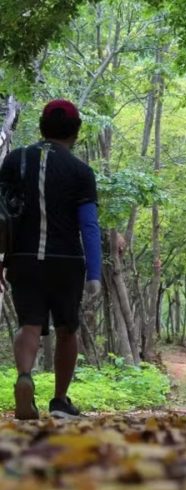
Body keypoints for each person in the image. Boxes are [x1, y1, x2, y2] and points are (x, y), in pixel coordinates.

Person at [0, 99, 102, 419]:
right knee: (67, 329)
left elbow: (1, 213)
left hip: (23, 258)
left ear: (42, 126)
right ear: (75, 131)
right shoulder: (81, 172)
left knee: (29, 324)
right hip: (66, 261)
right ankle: (60, 401)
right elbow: (89, 225)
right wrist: (95, 273)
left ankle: (25, 377)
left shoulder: (15, 161)